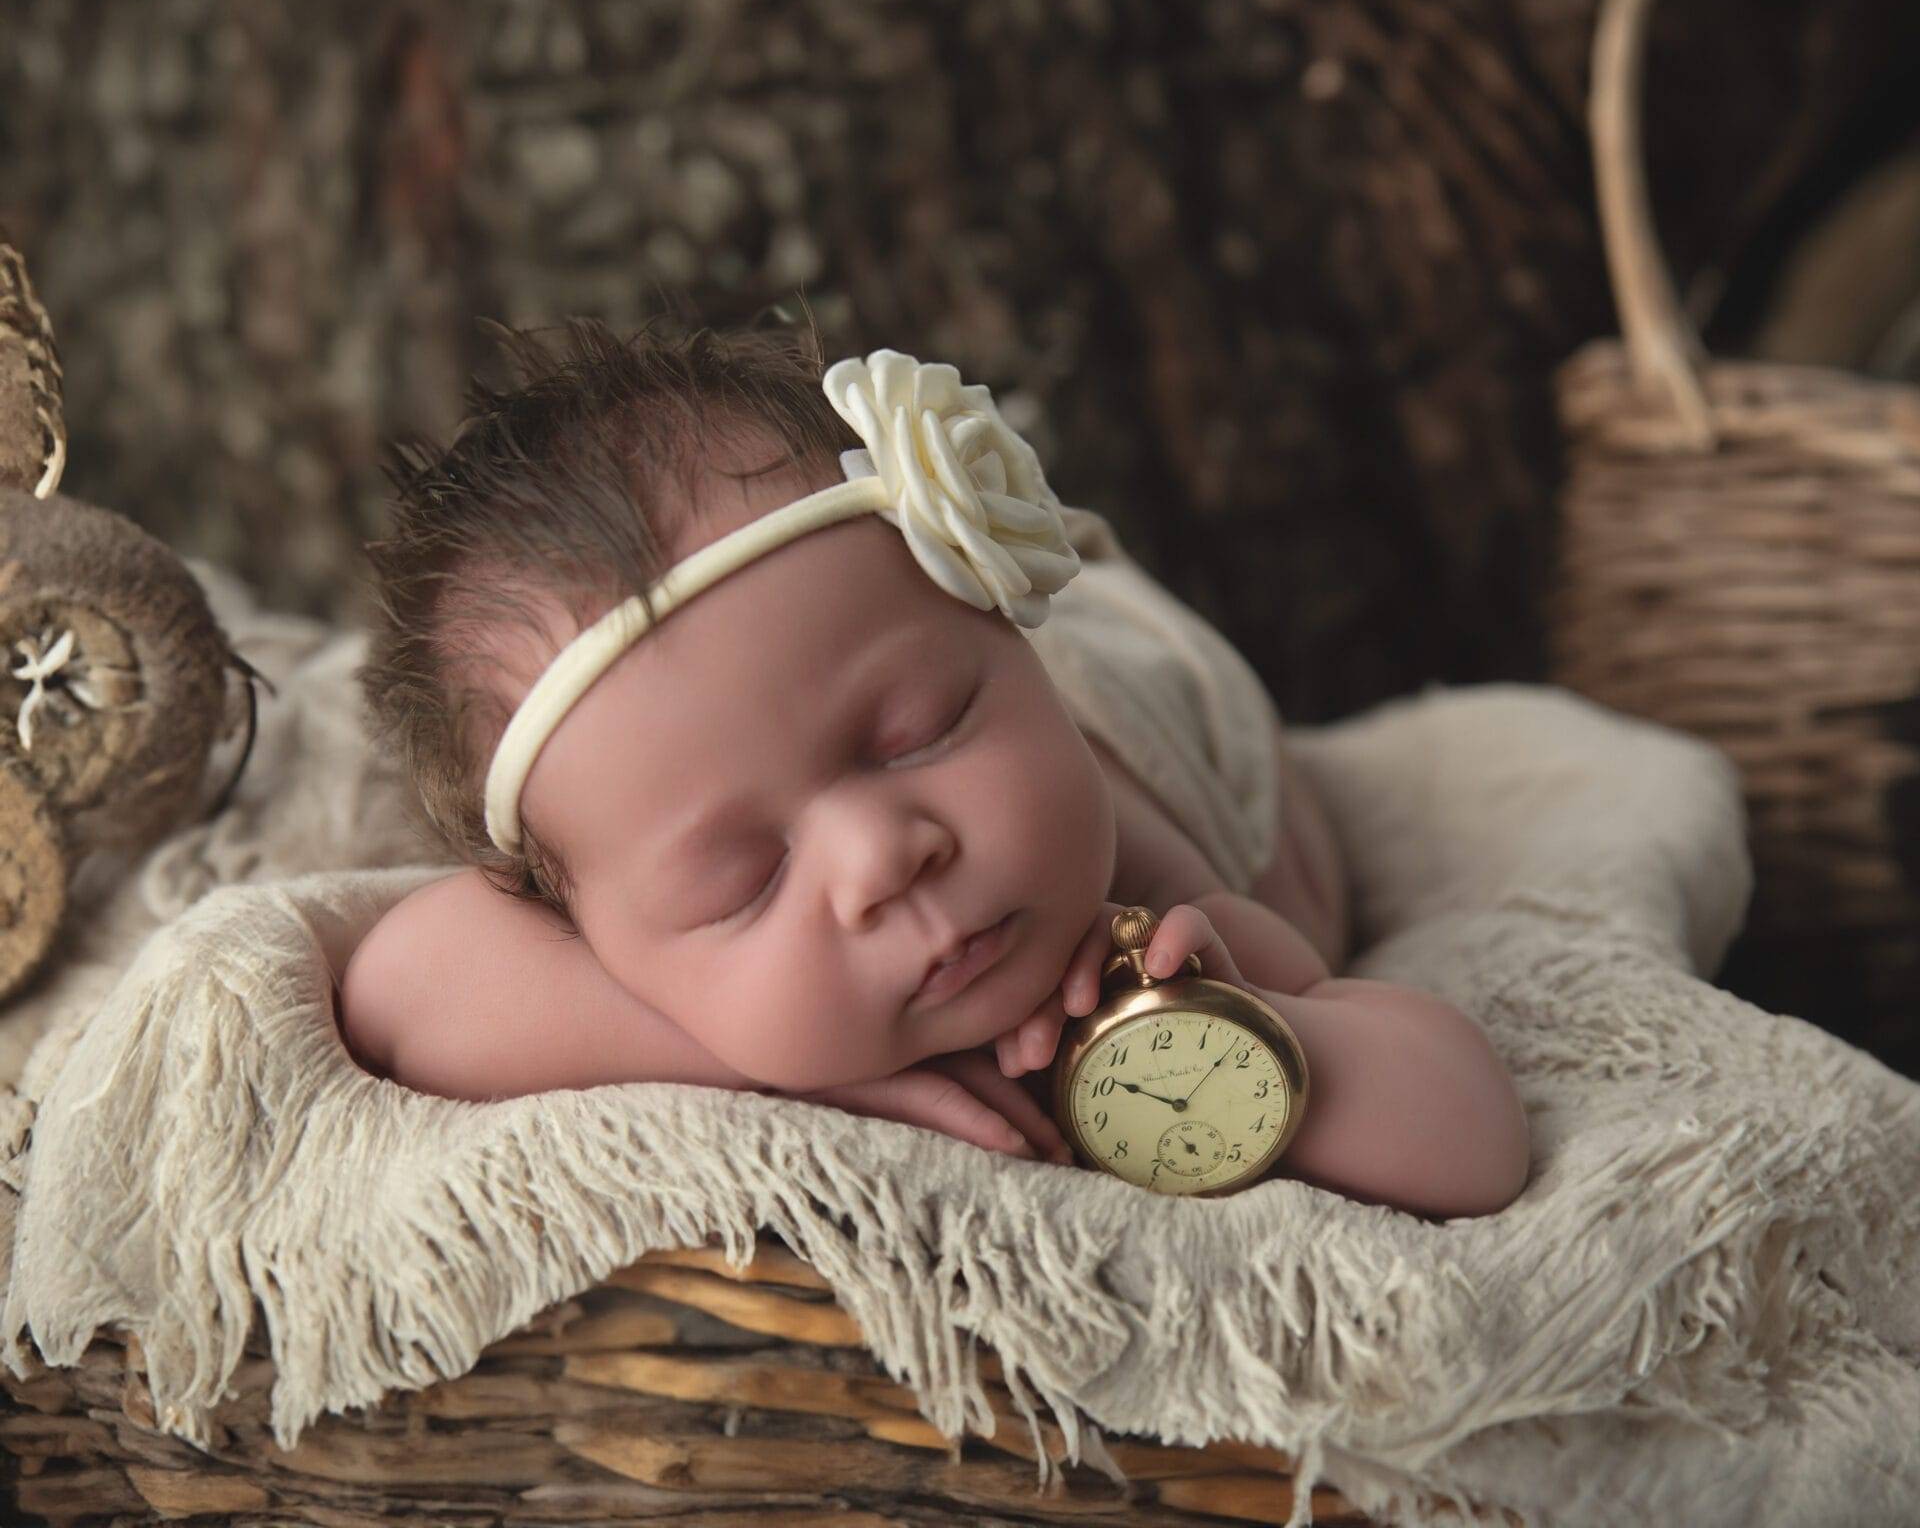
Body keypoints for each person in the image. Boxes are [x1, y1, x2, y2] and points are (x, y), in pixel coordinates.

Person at [343, 315, 1529, 1219]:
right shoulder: (620, 903)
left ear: (1007, 650)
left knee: (1296, 859)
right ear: (590, 934)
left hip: (1152, 685)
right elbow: (402, 987)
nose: (881, 856)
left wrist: (1257, 1028)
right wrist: (771, 1064)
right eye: (742, 880)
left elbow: (1474, 1142)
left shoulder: (1143, 907)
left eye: (920, 731)